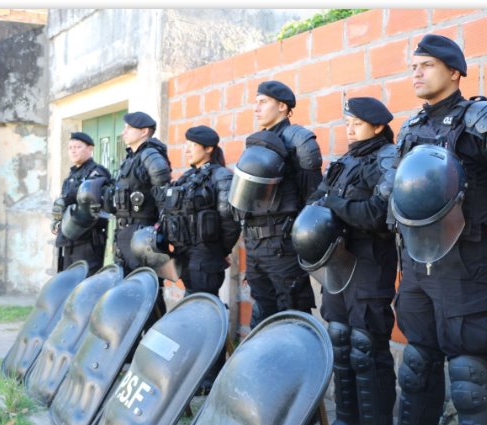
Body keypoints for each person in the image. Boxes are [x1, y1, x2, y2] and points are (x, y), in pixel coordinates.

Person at [390, 34, 487, 425]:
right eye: (413, 67)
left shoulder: (484, 123)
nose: (417, 73)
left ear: (455, 72)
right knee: (417, 367)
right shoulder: (411, 128)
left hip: (464, 266)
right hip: (415, 267)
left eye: (427, 65)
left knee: (468, 377)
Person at [303, 98, 398, 425]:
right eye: (348, 123)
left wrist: (334, 204)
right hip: (338, 262)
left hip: (370, 261)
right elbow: (316, 200)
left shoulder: (389, 159)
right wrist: (330, 204)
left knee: (366, 345)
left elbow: (376, 215)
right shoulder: (344, 162)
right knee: (340, 338)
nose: (350, 130)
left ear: (377, 126)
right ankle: (347, 421)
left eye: (357, 123)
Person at [232, 80, 323, 328]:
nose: (256, 108)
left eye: (263, 102)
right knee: (262, 317)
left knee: (292, 318)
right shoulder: (257, 142)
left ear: (282, 106)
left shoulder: (299, 141)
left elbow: (313, 200)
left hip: (283, 247)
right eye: (255, 102)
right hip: (254, 245)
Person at [159, 125, 241, 394]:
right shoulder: (187, 177)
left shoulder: (221, 177)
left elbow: (230, 222)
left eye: (192, 146)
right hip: (185, 254)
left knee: (206, 316)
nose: (187, 150)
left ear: (208, 148)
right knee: (193, 315)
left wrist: (219, 250)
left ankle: (209, 378)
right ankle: (195, 374)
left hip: (206, 256)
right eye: (186, 144)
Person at [103, 111, 171, 316]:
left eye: (129, 128)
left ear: (144, 131)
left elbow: (165, 197)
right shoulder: (130, 158)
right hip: (124, 234)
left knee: (148, 293)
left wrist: (159, 230)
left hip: (142, 236)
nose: (123, 132)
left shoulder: (151, 155)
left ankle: (152, 334)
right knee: (127, 292)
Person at [51, 131, 111, 276]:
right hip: (69, 240)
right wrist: (57, 221)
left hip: (88, 241)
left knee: (85, 283)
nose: (73, 151)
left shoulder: (97, 173)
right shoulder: (71, 175)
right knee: (67, 281)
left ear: (90, 149)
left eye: (78, 147)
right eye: (70, 148)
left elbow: (95, 204)